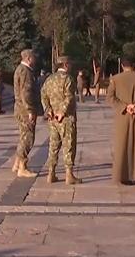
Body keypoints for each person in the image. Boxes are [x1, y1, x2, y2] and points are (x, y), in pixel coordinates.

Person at [106, 58, 135, 185]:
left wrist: (125, 107)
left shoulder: (115, 79)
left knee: (122, 145)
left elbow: (110, 97)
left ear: (122, 65)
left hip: (123, 116)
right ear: (134, 65)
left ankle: (123, 175)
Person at [41, 56, 82, 184]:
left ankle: (51, 173)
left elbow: (43, 96)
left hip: (52, 119)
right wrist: (62, 112)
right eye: (69, 64)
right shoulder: (68, 79)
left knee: (53, 145)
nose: (70, 66)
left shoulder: (49, 79)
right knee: (68, 144)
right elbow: (69, 97)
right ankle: (69, 175)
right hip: (66, 118)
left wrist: (48, 110)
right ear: (65, 65)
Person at [12, 49, 40, 178]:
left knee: (23, 136)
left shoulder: (20, 69)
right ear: (29, 58)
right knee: (28, 138)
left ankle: (17, 163)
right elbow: (26, 93)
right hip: (24, 110)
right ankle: (22, 167)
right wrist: (30, 110)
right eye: (34, 57)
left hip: (20, 108)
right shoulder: (26, 71)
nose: (35, 59)